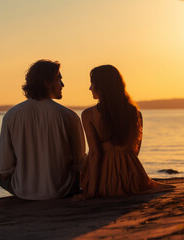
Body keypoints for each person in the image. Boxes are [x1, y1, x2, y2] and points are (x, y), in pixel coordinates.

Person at [0, 59, 86, 200]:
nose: (63, 85)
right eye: (59, 80)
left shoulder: (12, 115)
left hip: (24, 192)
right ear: (46, 83)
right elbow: (80, 164)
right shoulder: (69, 116)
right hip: (63, 190)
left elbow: (4, 170)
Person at [73, 65, 174, 201]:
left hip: (105, 181)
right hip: (134, 179)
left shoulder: (88, 114)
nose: (90, 88)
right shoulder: (136, 113)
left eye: (92, 83)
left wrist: (90, 192)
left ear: (102, 86)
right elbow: (135, 151)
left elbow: (95, 154)